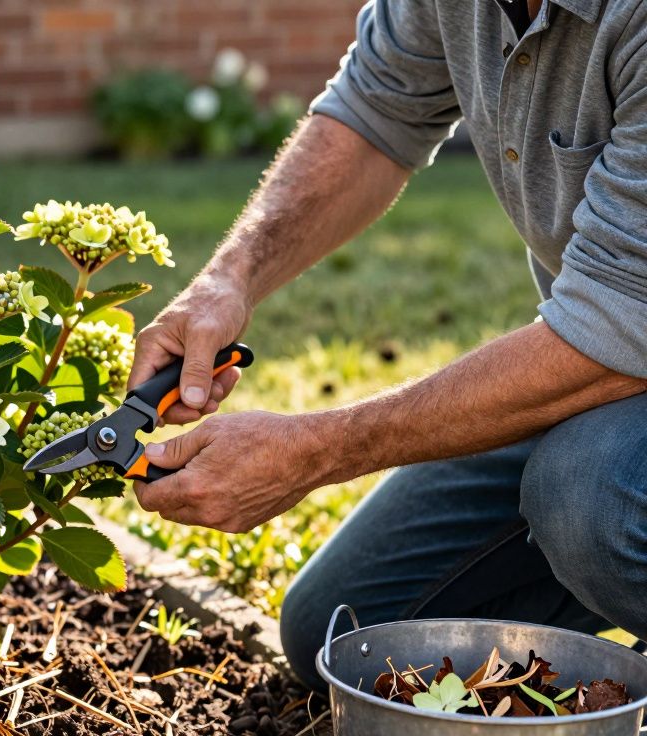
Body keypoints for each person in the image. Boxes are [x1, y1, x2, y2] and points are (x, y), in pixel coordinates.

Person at [128, 0, 647, 691]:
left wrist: (317, 448)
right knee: (348, 633)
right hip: (612, 368)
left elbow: (616, 324)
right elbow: (375, 111)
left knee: (588, 498)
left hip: (614, 356)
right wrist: (228, 280)